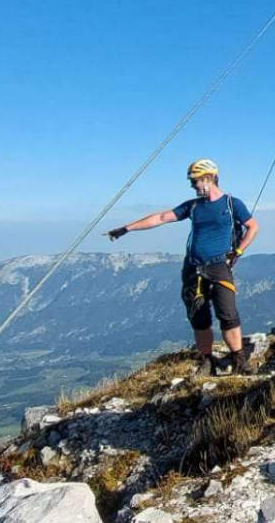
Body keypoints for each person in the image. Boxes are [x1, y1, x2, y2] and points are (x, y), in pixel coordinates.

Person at [106, 158, 260, 375]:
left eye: (195, 181)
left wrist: (239, 250)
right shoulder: (194, 206)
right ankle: (207, 362)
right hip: (194, 268)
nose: (193, 186)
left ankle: (239, 360)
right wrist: (126, 228)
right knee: (199, 318)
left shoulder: (231, 204)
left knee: (228, 314)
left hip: (218, 266)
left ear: (209, 178)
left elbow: (253, 226)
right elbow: (161, 217)